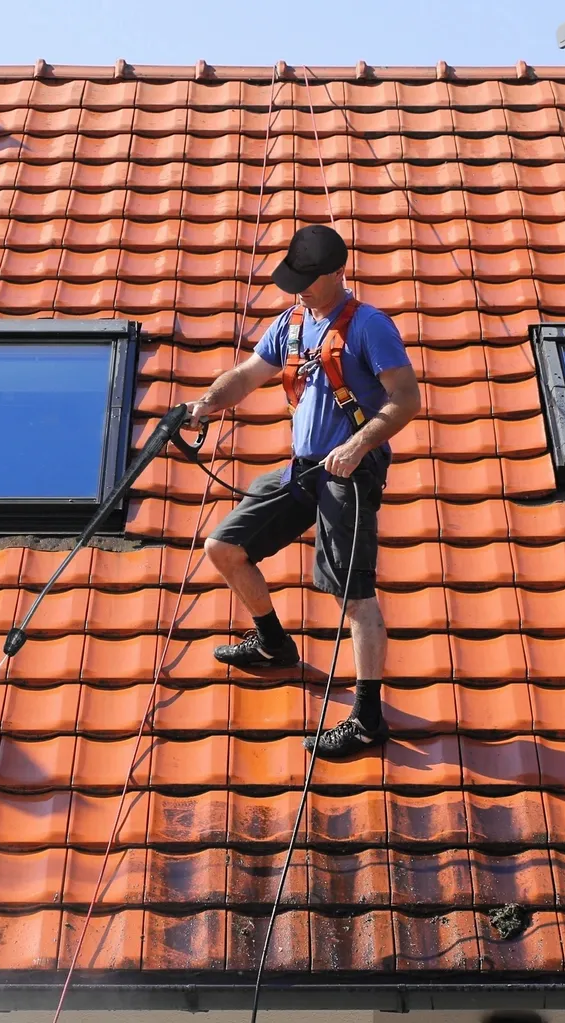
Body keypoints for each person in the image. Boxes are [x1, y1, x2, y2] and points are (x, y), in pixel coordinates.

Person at [186, 224, 420, 759]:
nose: (301, 289)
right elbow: (247, 375)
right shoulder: (292, 323)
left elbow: (405, 399)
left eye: (310, 280)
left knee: (352, 596)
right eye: (296, 280)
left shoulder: (370, 327)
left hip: (350, 475)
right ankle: (272, 641)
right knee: (224, 546)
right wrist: (206, 403)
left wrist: (359, 446)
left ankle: (367, 718)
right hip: (304, 468)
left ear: (339, 271)